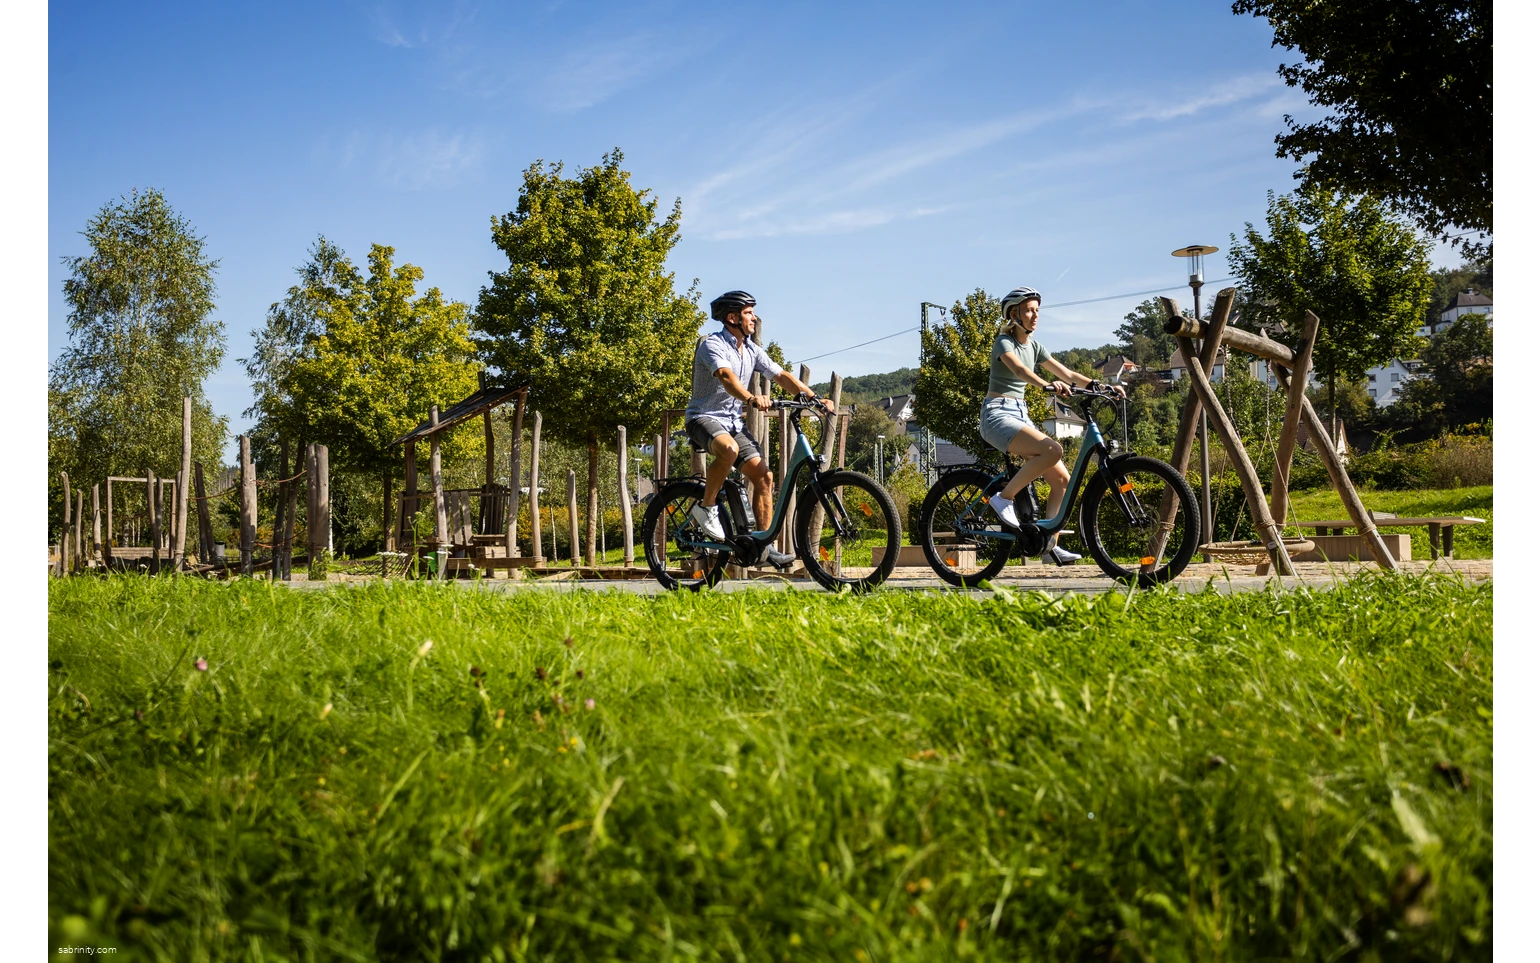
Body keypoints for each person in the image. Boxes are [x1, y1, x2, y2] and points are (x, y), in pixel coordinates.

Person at [979, 286, 1125, 565]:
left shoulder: (1035, 346)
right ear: (1014, 314)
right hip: (997, 414)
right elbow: (1020, 371)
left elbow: (1067, 373)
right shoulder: (1004, 343)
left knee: (1062, 481)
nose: (1035, 316)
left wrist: (1099, 385)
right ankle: (1003, 498)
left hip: (1020, 414)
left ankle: (1048, 546)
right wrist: (1046, 385)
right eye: (1030, 310)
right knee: (1053, 450)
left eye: (1037, 311)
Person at [685, 290, 832, 566]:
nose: (754, 317)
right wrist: (751, 398)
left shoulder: (751, 349)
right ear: (732, 317)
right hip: (703, 417)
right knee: (727, 451)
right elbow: (727, 377)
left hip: (731, 422)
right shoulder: (712, 345)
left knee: (764, 478)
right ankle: (706, 508)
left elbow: (780, 375)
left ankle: (762, 546)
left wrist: (814, 398)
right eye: (748, 313)